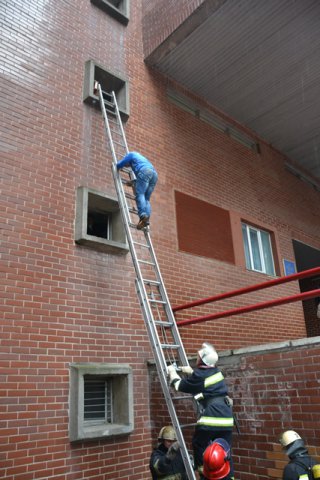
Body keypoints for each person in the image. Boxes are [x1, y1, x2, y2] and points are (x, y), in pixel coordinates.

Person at [167, 343, 234, 479]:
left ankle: (203, 472)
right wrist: (191, 372)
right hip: (227, 418)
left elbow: (179, 385)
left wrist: (172, 372)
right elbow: (205, 380)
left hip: (212, 417)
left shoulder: (200, 376)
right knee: (224, 450)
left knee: (199, 443)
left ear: (202, 360)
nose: (197, 357)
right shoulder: (216, 372)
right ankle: (228, 476)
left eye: (198, 356)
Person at [116, 151, 158, 230]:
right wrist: (133, 182)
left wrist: (117, 166)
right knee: (146, 199)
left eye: (127, 165)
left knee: (140, 194)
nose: (127, 166)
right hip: (154, 175)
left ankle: (142, 215)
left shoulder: (131, 154)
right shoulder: (141, 159)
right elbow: (142, 179)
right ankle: (146, 220)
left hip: (145, 171)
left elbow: (120, 164)